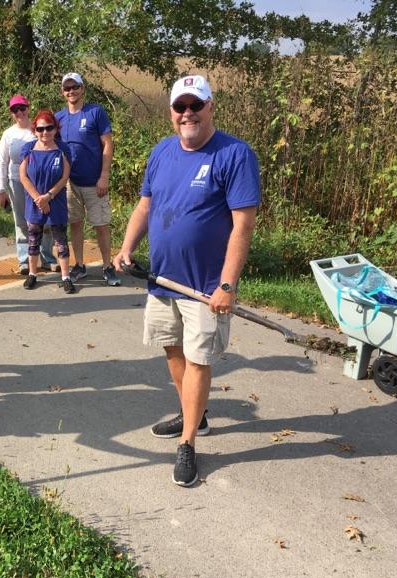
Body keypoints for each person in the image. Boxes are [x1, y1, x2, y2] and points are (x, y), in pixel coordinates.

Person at [113, 75, 260, 487]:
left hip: (204, 287)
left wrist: (227, 284)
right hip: (162, 279)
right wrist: (127, 247)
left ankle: (189, 442)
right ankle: (194, 412)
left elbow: (242, 226)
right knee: (172, 349)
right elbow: (146, 205)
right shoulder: (161, 152)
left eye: (196, 105)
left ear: (211, 107)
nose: (187, 113)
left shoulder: (234, 154)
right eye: (180, 107)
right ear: (172, 112)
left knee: (198, 359)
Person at [55, 72, 119, 286]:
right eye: (67, 88)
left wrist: (104, 176)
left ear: (82, 89)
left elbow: (107, 144)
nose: (71, 91)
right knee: (75, 224)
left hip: (95, 182)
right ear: (63, 92)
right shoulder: (59, 118)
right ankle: (80, 265)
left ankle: (107, 266)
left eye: (75, 87)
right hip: (70, 183)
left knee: (101, 225)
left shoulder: (95, 112)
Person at [0, 94, 57, 275]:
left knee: (44, 220)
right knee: (22, 221)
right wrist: (2, 188)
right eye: (15, 109)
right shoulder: (8, 134)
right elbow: (2, 162)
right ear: (11, 113)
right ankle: (24, 260)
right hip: (16, 182)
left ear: (28, 108)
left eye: (22, 108)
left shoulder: (38, 129)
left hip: (40, 182)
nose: (19, 112)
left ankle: (47, 257)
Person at [18, 109, 75, 293]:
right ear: (35, 130)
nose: (45, 132)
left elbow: (65, 176)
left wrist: (48, 196)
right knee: (34, 239)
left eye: (49, 128)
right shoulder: (28, 149)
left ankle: (66, 277)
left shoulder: (62, 149)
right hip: (34, 203)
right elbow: (23, 176)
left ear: (55, 129)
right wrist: (38, 198)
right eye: (41, 129)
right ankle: (33, 274)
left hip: (55, 202)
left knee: (61, 240)